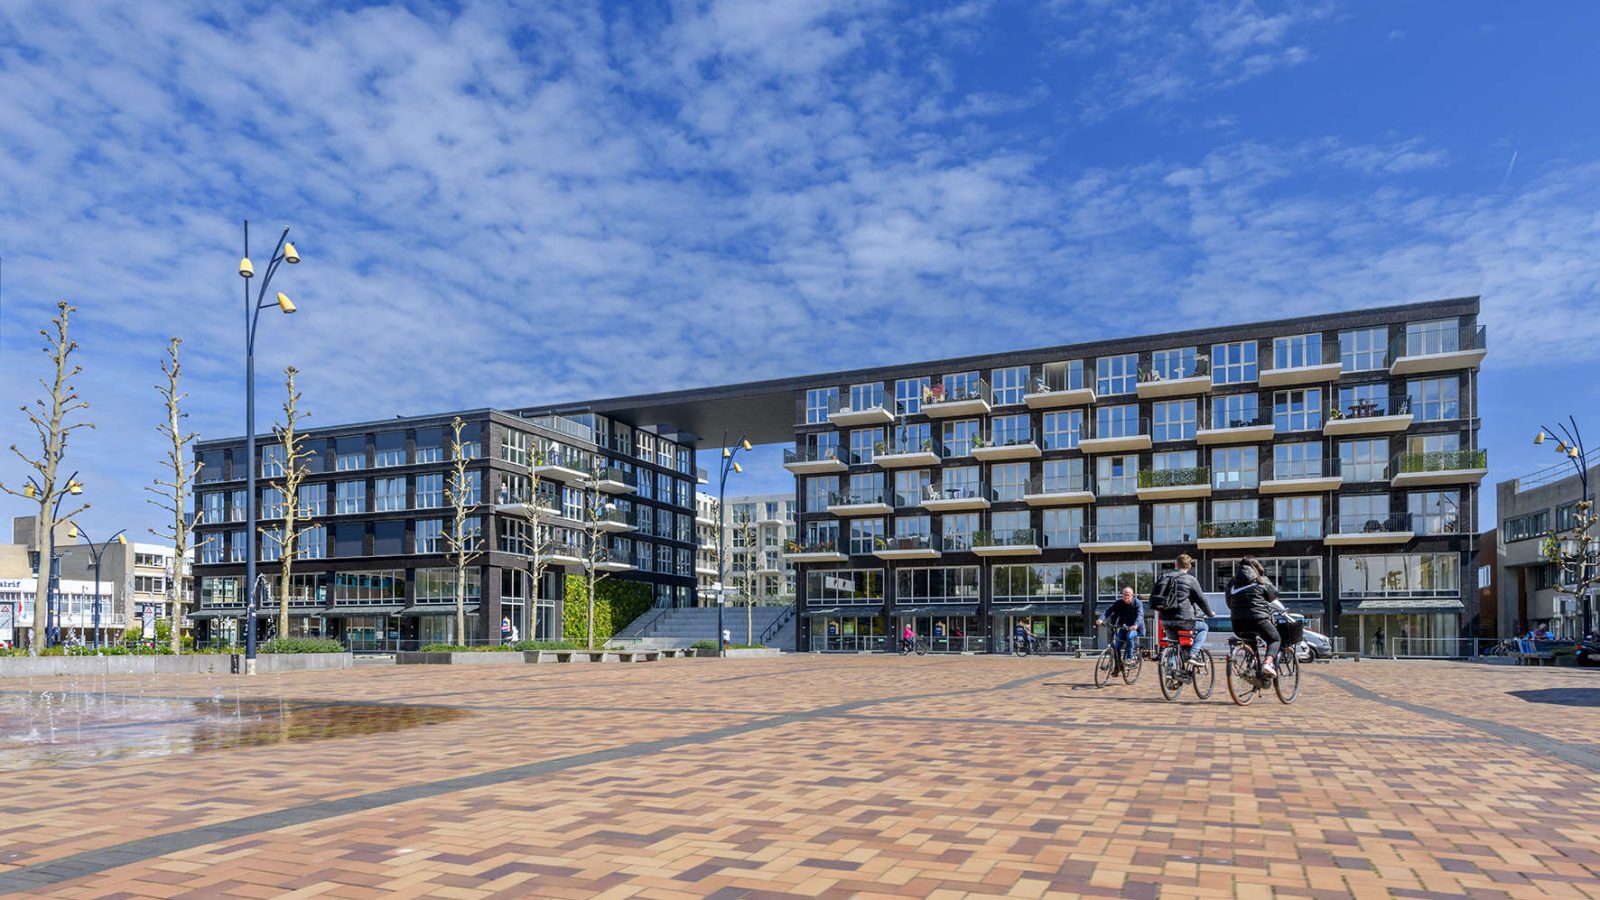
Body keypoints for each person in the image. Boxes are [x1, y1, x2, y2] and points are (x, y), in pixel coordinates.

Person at [1227, 556, 1282, 677]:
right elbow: (1274, 594)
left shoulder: (1232, 582)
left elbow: (1229, 602)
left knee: (1251, 642)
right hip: (1258, 620)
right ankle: (1267, 664)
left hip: (1237, 623)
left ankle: (1252, 671)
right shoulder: (1260, 579)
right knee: (1275, 639)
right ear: (1256, 566)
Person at [1155, 553, 1212, 666]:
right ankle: (1193, 654)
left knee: (1173, 644)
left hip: (1165, 620)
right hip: (1183, 620)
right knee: (1204, 628)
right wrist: (1210, 613)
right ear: (1189, 566)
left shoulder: (1163, 577)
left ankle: (1171, 671)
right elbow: (1202, 599)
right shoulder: (1191, 580)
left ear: (1175, 564)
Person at [1097, 587, 1144, 661]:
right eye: (1124, 595)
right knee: (1117, 646)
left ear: (1132, 595)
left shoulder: (1137, 603)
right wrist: (1101, 619)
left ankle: (1129, 657)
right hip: (1124, 628)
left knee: (1129, 636)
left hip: (1136, 628)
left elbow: (1140, 615)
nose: (1126, 597)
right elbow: (1108, 610)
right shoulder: (1119, 603)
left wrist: (1136, 625)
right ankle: (1118, 665)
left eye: (1128, 595)